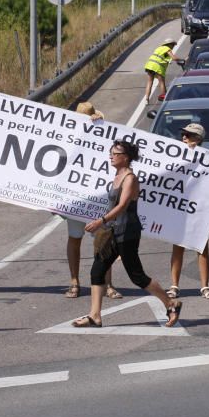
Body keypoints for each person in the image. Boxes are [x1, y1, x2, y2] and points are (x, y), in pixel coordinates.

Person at [72, 140, 183, 328]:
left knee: (137, 276)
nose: (111, 156)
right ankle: (95, 316)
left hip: (127, 232)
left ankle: (170, 303)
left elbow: (123, 206)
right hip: (112, 231)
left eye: (115, 153)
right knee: (97, 270)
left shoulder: (130, 178)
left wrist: (101, 221)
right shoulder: (117, 175)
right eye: (111, 152)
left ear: (126, 157)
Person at [64, 101, 122, 299]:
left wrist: (96, 125)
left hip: (97, 197)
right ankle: (74, 282)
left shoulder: (103, 135)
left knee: (102, 241)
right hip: (74, 196)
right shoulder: (67, 134)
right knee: (74, 238)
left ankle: (108, 284)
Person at [166, 123, 209, 301]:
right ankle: (174, 286)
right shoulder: (176, 154)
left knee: (201, 247)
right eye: (184, 134)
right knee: (177, 246)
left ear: (199, 139)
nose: (185, 137)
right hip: (180, 206)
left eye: (189, 135)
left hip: (200, 208)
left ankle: (205, 286)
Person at [144, 37, 181, 104]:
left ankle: (146, 99)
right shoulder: (167, 48)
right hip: (157, 67)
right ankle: (164, 98)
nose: (173, 47)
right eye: (173, 45)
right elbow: (174, 58)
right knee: (161, 82)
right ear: (169, 44)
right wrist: (181, 59)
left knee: (150, 82)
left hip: (149, 65)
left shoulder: (158, 48)